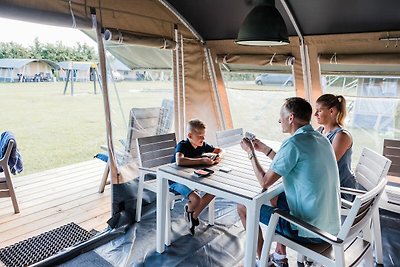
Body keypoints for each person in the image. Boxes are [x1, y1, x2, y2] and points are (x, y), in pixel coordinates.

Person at [238, 97, 341, 267]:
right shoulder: (320, 137)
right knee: (278, 198)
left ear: (291, 118)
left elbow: (264, 182)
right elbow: (291, 163)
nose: (279, 120)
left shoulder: (293, 143)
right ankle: (280, 255)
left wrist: (250, 153)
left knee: (243, 207)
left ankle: (263, 260)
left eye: (281, 116)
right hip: (330, 225)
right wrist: (265, 149)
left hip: (311, 232)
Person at [171, 119, 223, 235]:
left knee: (213, 191)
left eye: (204, 136)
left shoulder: (202, 145)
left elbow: (220, 150)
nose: (203, 139)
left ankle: (193, 215)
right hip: (176, 180)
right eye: (200, 136)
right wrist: (202, 160)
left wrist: (217, 157)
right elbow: (179, 161)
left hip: (192, 179)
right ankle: (189, 210)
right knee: (196, 199)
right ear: (190, 135)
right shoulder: (183, 145)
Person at [315, 94, 359, 201]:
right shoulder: (320, 131)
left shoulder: (342, 136)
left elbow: (326, 165)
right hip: (326, 184)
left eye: (319, 110)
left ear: (332, 111)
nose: (315, 114)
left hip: (341, 191)